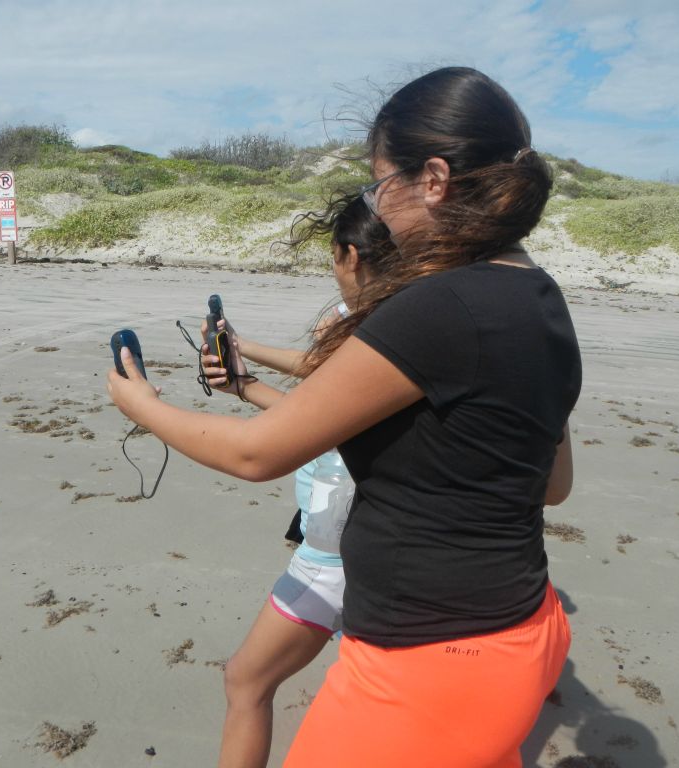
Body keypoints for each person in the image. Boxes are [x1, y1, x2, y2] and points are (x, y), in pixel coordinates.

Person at [109, 66, 580, 768]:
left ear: (435, 179)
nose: (377, 206)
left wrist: (142, 405)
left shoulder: (440, 308)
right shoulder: (539, 297)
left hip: (430, 662)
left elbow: (255, 456)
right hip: (522, 632)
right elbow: (552, 484)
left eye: (378, 182)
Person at [201, 194, 394, 768]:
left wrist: (143, 406)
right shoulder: (409, 321)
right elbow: (321, 392)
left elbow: (273, 446)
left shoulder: (385, 328)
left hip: (342, 551)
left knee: (249, 682)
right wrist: (244, 371)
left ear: (350, 256)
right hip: (357, 545)